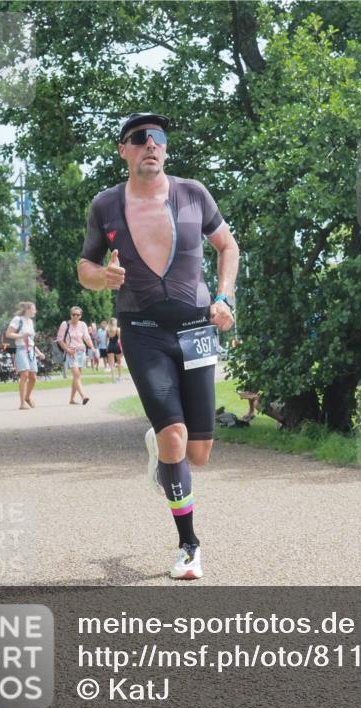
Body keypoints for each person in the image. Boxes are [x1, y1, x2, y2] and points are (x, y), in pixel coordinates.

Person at [77, 112, 239, 580]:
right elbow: (85, 267)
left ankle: (161, 451)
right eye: (140, 138)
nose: (152, 144)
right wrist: (100, 278)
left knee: (199, 453)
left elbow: (228, 247)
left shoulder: (193, 194)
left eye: (159, 138)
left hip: (196, 329)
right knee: (175, 436)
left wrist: (224, 297)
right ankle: (189, 546)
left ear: (166, 149)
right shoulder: (106, 205)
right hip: (143, 330)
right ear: (124, 150)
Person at [5, 301, 45, 410]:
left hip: (30, 350)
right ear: (28, 310)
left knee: (33, 377)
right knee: (25, 375)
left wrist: (38, 352)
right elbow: (8, 333)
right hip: (21, 349)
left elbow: (30, 340)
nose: (35, 311)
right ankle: (22, 403)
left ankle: (27, 397)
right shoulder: (17, 319)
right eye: (34, 309)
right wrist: (21, 335)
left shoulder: (30, 322)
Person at [56, 306, 95, 405]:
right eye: (73, 314)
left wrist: (92, 347)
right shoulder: (65, 324)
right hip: (71, 352)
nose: (75, 316)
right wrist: (67, 349)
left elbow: (86, 337)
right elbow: (60, 339)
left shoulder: (83, 325)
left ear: (80, 316)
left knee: (76, 376)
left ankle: (72, 399)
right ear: (70, 315)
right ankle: (83, 396)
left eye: (78, 315)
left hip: (81, 351)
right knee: (76, 375)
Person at [105, 318, 123, 382]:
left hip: (110, 346)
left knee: (111, 363)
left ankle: (113, 378)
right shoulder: (117, 329)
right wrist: (122, 348)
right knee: (119, 362)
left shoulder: (107, 329)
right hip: (116, 345)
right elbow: (120, 340)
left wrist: (106, 346)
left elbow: (106, 339)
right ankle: (120, 377)